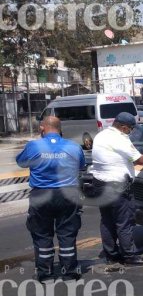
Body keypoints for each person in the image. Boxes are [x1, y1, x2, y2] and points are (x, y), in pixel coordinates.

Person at [16, 116, 85, 282]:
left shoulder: (33, 146)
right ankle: (69, 272)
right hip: (68, 195)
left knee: (42, 234)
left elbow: (21, 162)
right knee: (67, 234)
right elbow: (81, 165)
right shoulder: (73, 146)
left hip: (41, 195)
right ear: (60, 129)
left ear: (42, 128)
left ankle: (45, 274)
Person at [90, 112, 143, 266]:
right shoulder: (120, 139)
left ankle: (111, 254)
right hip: (117, 186)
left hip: (100, 184)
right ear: (123, 127)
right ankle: (129, 255)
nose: (132, 131)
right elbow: (141, 159)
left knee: (107, 221)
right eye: (131, 128)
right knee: (124, 222)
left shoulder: (101, 135)